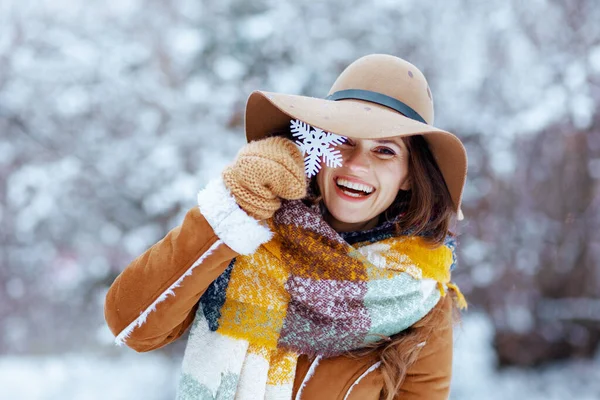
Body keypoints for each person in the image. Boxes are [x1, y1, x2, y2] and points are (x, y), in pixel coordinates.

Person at [104, 53, 468, 400]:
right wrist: (232, 210)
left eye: (384, 151)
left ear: (408, 176)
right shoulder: (249, 232)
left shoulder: (419, 296)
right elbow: (133, 325)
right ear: (317, 148)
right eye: (344, 140)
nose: (357, 164)